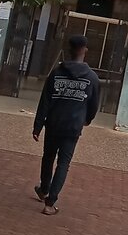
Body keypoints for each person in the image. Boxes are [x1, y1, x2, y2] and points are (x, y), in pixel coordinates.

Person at [32, 34, 100, 215]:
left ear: (69, 50)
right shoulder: (92, 78)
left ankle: (44, 189)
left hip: (53, 123)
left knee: (48, 157)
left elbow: (45, 101)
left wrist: (38, 125)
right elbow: (94, 104)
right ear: (85, 50)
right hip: (73, 126)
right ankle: (50, 203)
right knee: (64, 163)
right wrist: (87, 120)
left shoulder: (56, 73)